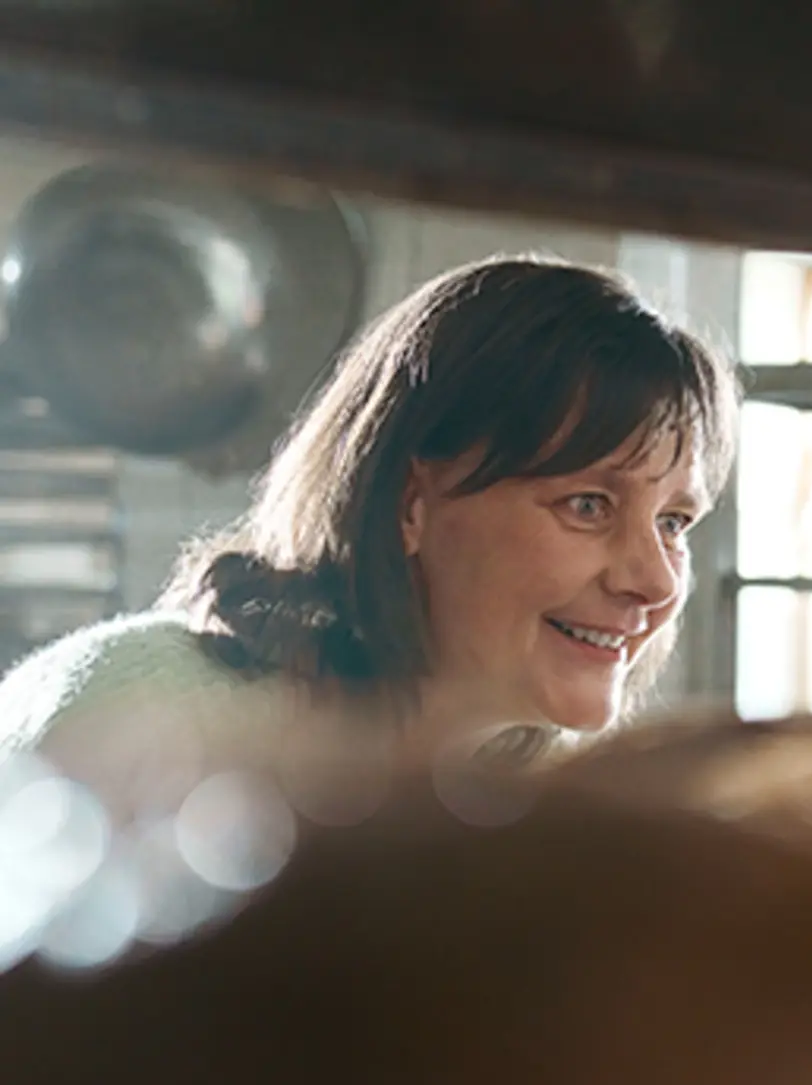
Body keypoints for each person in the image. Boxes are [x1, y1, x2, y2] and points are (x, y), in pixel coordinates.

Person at [0, 254, 737, 773]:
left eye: (674, 523)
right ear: (409, 502)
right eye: (588, 505)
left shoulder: (545, 820)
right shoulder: (146, 716)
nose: (654, 583)